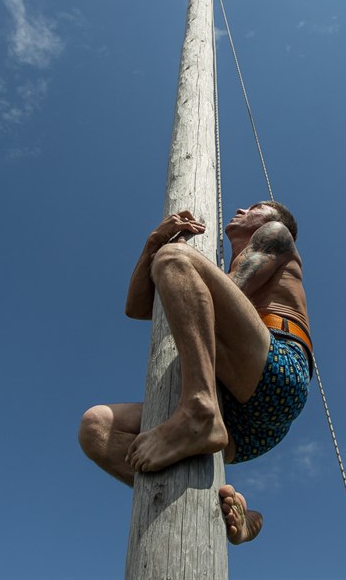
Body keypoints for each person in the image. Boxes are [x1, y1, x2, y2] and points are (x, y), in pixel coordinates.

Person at [78, 201, 313, 545]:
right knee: (95, 426)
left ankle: (199, 408)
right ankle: (215, 508)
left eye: (256, 207)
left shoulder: (275, 236)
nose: (242, 208)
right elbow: (138, 307)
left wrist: (173, 253)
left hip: (277, 369)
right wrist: (152, 243)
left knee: (175, 258)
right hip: (244, 429)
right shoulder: (236, 258)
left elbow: (228, 286)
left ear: (275, 222)